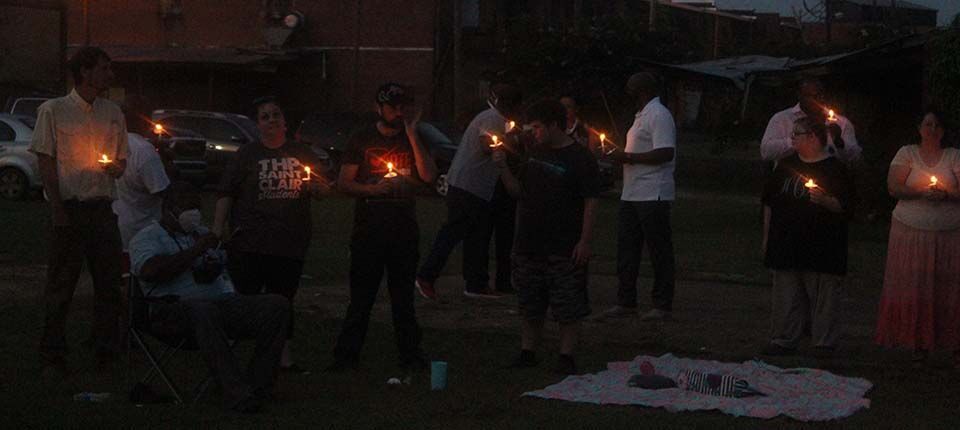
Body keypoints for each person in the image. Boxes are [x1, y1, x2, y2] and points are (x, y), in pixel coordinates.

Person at [130, 182, 290, 413]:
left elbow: (219, 271)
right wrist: (195, 251)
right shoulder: (147, 238)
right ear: (169, 210)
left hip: (221, 303)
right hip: (171, 310)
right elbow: (150, 272)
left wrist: (230, 253)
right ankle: (236, 393)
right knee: (202, 309)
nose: (193, 214)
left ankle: (259, 385)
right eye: (187, 208)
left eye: (197, 208)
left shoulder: (202, 234)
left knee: (276, 305)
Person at [30, 46, 129, 375]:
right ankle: (52, 355)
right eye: (104, 68)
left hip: (102, 208)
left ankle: (105, 349)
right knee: (61, 285)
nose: (110, 75)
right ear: (85, 72)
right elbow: (46, 160)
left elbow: (122, 157)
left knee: (109, 283)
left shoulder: (113, 112)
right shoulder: (53, 110)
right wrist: (57, 208)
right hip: (70, 209)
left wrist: (117, 167)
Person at [213, 96, 329, 374]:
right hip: (251, 240)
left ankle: (284, 358)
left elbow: (325, 189)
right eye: (265, 116)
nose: (271, 120)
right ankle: (229, 353)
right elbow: (226, 192)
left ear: (285, 122)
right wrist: (217, 229)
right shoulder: (247, 155)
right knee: (245, 299)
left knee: (283, 300)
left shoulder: (302, 153)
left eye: (276, 115)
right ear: (258, 125)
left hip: (289, 240)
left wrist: (317, 187)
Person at [328, 83, 438, 371]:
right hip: (370, 230)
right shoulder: (362, 138)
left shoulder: (412, 138)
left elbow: (428, 175)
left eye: (403, 106)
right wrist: (374, 191)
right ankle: (346, 356)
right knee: (362, 297)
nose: (399, 112)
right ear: (380, 108)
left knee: (403, 298)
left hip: (403, 230)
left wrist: (413, 135)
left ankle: (410, 354)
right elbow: (344, 182)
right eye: (393, 106)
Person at [496, 99, 600, 375]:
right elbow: (518, 192)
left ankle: (566, 356)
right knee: (530, 301)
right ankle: (528, 351)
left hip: (563, 244)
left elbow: (591, 200)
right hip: (530, 242)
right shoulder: (533, 154)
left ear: (555, 125)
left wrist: (584, 240)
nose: (534, 133)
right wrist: (502, 167)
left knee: (567, 303)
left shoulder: (580, 158)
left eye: (539, 127)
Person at [416, 83, 522, 299]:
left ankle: (475, 283)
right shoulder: (492, 118)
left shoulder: (498, 120)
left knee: (478, 235)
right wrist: (507, 143)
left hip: (478, 187)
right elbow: (486, 145)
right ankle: (426, 275)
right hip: (468, 185)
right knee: (453, 231)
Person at [760, 117, 856, 356]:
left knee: (823, 295)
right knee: (787, 293)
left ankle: (823, 342)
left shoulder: (835, 169)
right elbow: (769, 203)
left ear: (813, 137)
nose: (791, 139)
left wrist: (825, 200)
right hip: (786, 242)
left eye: (797, 134)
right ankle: (784, 338)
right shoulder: (785, 166)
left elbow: (847, 206)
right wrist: (766, 237)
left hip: (823, 244)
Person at [875, 109, 960, 368]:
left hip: (949, 234)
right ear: (919, 128)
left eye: (937, 125)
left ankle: (955, 345)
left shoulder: (954, 156)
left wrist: (946, 195)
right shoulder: (907, 153)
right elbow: (894, 186)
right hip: (910, 232)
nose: (932, 129)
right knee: (915, 287)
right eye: (928, 124)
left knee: (950, 290)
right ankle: (918, 344)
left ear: (943, 131)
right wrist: (921, 191)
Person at [598, 72, 677, 322]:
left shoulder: (659, 115)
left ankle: (662, 304)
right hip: (632, 192)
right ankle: (626, 301)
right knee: (627, 248)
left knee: (658, 250)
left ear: (642, 90)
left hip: (653, 192)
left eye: (631, 87)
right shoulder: (641, 116)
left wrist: (628, 157)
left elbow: (665, 152)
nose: (627, 90)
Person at [761, 77, 861, 164]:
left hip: (830, 177)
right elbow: (766, 152)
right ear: (800, 96)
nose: (817, 100)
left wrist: (838, 141)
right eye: (811, 96)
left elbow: (855, 157)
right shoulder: (782, 119)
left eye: (820, 95)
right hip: (796, 176)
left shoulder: (841, 123)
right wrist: (796, 142)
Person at [113, 132, 171, 254]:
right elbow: (163, 189)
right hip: (132, 233)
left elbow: (163, 192)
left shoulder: (140, 151)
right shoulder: (143, 151)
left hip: (130, 233)